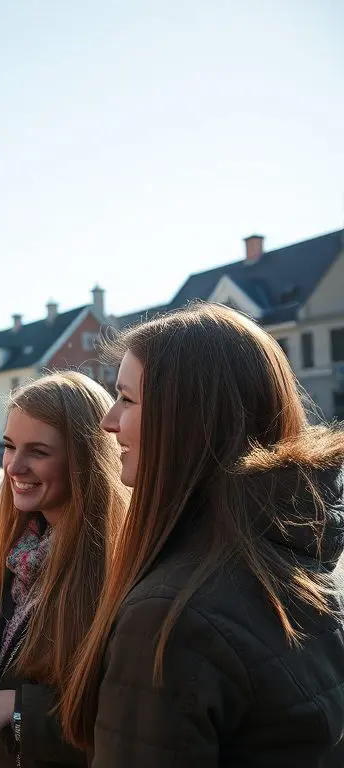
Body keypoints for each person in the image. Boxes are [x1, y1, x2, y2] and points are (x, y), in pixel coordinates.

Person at [59, 304, 344, 767]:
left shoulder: (172, 615)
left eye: (127, 399)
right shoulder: (300, 556)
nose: (109, 421)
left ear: (186, 420)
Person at [0, 372, 128, 767]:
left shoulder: (115, 568)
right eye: (9, 446)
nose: (14, 467)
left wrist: (15, 708)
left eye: (38, 451)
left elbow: (125, 725)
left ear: (85, 459)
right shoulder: (16, 554)